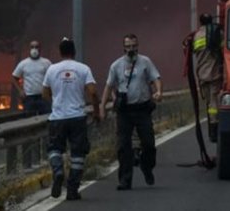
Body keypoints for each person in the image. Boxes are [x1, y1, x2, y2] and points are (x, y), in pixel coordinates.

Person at [42, 37, 100, 201]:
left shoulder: (52, 69)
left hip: (57, 118)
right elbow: (93, 93)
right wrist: (96, 112)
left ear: (60, 52)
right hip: (77, 118)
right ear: (74, 51)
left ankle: (58, 171)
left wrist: (57, 101)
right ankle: (72, 190)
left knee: (54, 149)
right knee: (78, 154)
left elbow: (45, 93)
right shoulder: (83, 69)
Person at [101, 34, 162, 190]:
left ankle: (146, 166)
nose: (131, 49)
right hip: (125, 111)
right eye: (128, 46)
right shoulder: (116, 66)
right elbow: (109, 86)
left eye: (133, 46)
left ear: (138, 46)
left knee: (149, 144)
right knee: (123, 146)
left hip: (142, 109)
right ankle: (125, 180)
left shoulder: (145, 62)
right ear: (123, 47)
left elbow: (156, 77)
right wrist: (102, 107)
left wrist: (158, 91)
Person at [191, 13, 222, 142]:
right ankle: (214, 128)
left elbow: (194, 51)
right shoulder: (217, 33)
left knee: (210, 102)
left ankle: (212, 127)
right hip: (215, 73)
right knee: (215, 103)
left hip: (202, 74)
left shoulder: (196, 36)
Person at [12, 40, 52, 116]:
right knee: (28, 119)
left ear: (40, 49)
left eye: (36, 47)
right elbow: (14, 77)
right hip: (29, 97)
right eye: (32, 47)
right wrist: (20, 90)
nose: (34, 49)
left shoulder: (46, 62)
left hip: (43, 97)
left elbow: (52, 77)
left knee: (46, 118)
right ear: (29, 49)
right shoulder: (23, 63)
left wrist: (50, 91)